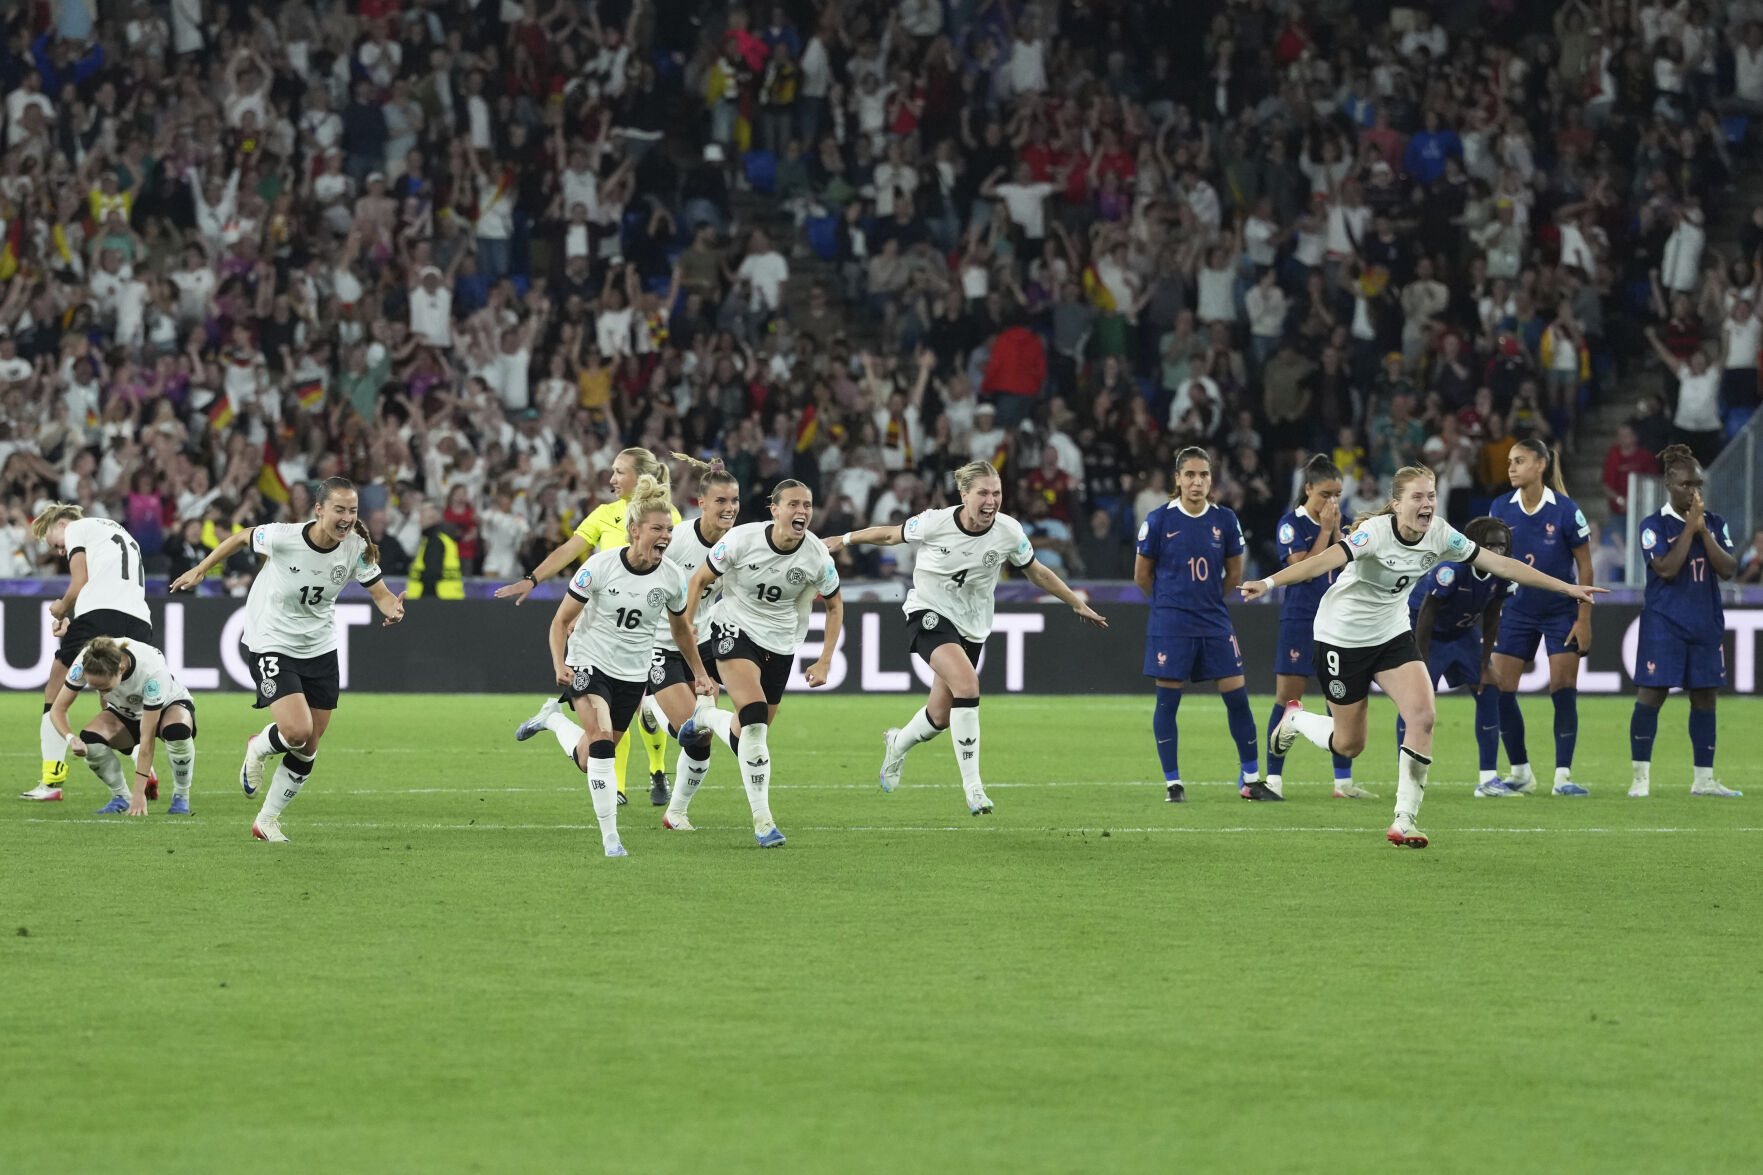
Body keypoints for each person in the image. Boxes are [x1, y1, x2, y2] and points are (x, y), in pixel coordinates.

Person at [1247, 466, 1604, 848]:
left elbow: (1500, 564)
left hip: (1391, 634)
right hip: (1341, 637)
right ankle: (1296, 719)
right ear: (1397, 504)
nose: (1427, 504)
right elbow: (1321, 562)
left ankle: (1404, 819)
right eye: (1417, 497)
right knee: (1350, 744)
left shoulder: (1441, 534)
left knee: (1423, 715)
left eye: (1431, 496)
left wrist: (1566, 587)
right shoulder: (1374, 534)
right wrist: (1267, 582)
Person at [826, 460, 1106, 814]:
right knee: (968, 685)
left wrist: (1074, 602)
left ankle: (897, 743)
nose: (991, 501)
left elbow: (1035, 571)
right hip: (928, 612)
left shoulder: (1008, 532)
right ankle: (974, 788)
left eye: (997, 493)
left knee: (939, 717)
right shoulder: (935, 521)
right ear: (964, 494)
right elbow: (889, 534)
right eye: (983, 493)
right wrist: (845, 538)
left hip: (972, 626)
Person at [170, 478, 406, 842]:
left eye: (353, 511)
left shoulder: (356, 548)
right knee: (297, 732)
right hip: (272, 640)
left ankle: (266, 820)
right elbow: (239, 537)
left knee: (310, 746)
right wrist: (202, 568)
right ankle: (260, 745)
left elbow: (380, 593)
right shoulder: (284, 536)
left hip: (320, 648)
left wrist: (393, 608)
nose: (347, 518)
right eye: (339, 510)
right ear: (320, 510)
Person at [513, 476, 715, 857]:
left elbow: (682, 631)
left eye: (669, 530)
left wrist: (700, 673)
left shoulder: (672, 577)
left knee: (592, 758)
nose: (666, 536)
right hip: (588, 663)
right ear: (634, 530)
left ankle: (551, 719)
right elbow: (559, 622)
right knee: (604, 743)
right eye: (657, 529)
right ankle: (611, 840)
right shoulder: (600, 567)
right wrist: (559, 663)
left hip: (632, 673)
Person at [494, 447, 681, 806]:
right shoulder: (605, 514)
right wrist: (532, 579)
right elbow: (570, 549)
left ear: (641, 477)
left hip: (650, 625)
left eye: (618, 472)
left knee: (646, 711)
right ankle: (619, 785)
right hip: (601, 633)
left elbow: (677, 569)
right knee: (614, 721)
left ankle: (656, 769)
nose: (611, 479)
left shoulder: (666, 519)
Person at [680, 481, 843, 847]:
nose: (801, 512)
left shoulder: (816, 555)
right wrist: (689, 622)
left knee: (750, 734)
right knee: (752, 713)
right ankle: (763, 820)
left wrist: (825, 658)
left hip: (782, 645)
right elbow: (700, 579)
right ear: (775, 509)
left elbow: (835, 605)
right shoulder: (741, 539)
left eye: (808, 505)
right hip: (733, 628)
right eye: (793, 505)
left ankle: (704, 717)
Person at [1134, 447, 1272, 804]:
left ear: (1211, 480)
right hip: (1171, 624)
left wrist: (1208, 598)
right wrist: (1169, 604)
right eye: (1190, 475)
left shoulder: (1225, 520)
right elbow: (1142, 576)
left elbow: (1236, 574)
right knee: (1167, 703)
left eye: (1204, 475)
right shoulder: (1159, 519)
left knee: (1238, 698)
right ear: (1177, 479)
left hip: (1214, 621)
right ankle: (1173, 783)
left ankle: (1251, 779)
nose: (1197, 482)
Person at [1629, 447, 1742, 798]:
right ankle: (1640, 778)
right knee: (1652, 695)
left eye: (1698, 484)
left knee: (1706, 698)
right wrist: (1690, 530)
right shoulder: (1653, 525)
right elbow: (1665, 568)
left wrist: (1703, 531)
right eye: (1686, 484)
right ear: (1668, 484)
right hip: (1665, 624)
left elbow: (1727, 569)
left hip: (1705, 623)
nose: (1694, 492)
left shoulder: (1716, 523)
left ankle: (1704, 780)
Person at [24, 505, 155, 803]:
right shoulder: (121, 533)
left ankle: (51, 781)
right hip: (139, 621)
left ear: (62, 523)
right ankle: (145, 765)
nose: (59, 551)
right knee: (114, 699)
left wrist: (62, 608)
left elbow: (80, 581)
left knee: (55, 691)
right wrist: (75, 619)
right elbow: (107, 583)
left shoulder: (76, 529)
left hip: (99, 616)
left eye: (55, 543)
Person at [1488, 439, 1596, 797]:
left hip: (1559, 612)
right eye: (1509, 462)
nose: (1511, 468)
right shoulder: (1500, 507)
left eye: (1519, 461)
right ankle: (1520, 772)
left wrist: (1584, 619)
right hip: (1516, 612)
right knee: (1500, 690)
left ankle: (1563, 777)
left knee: (1562, 692)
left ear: (1540, 465)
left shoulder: (1565, 510)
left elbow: (1585, 565)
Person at [1266, 455, 1370, 799]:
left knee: (1338, 699)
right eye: (1326, 494)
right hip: (1300, 621)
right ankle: (1273, 780)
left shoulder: (1346, 524)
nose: (1333, 502)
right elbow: (1303, 569)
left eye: (1338, 494)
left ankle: (1343, 783)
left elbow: (1353, 571)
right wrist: (1327, 531)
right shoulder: (1290, 524)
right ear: (1308, 488)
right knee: (1287, 700)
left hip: (1338, 624)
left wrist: (1339, 531)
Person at [646, 455, 740, 832]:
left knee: (700, 739)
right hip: (658, 644)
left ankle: (676, 812)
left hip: (700, 644)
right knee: (694, 724)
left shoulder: (737, 545)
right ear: (700, 504)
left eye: (734, 501)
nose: (729, 508)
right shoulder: (678, 540)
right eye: (720, 501)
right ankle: (652, 703)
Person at [1406, 517, 1514, 796]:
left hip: (1463, 634)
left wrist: (1485, 663)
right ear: (1474, 546)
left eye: (1502, 546)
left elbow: (1492, 616)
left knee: (1489, 690)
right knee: (1416, 704)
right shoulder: (1451, 569)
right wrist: (1421, 662)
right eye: (1489, 545)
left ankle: (1488, 781)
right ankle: (1406, 779)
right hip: (1428, 633)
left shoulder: (1503, 574)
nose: (1497, 552)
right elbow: (1426, 615)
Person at [47, 637, 197, 816]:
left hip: (168, 705)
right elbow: (57, 710)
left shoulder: (151, 671)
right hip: (124, 711)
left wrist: (139, 793)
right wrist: (71, 738)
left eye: (104, 687)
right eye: (94, 687)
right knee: (91, 741)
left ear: (121, 669)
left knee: (176, 731)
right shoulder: (83, 663)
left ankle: (181, 796)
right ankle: (121, 797)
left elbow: (146, 740)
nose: (100, 693)